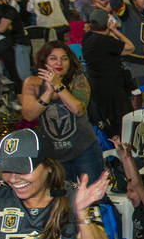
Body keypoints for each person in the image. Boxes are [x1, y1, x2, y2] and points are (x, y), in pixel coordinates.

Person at [20, 41, 104, 183]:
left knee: (94, 195)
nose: (59, 63)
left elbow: (78, 110)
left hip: (84, 149)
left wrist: (58, 85)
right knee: (63, 198)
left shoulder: (77, 79)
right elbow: (29, 115)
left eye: (64, 58)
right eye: (53, 58)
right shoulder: (32, 83)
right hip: (53, 154)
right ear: (44, 60)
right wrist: (48, 92)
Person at [81, 8, 135, 136]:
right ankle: (124, 150)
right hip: (113, 90)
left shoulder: (87, 38)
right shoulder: (103, 41)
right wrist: (114, 30)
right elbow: (130, 47)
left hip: (98, 87)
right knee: (122, 123)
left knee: (109, 122)